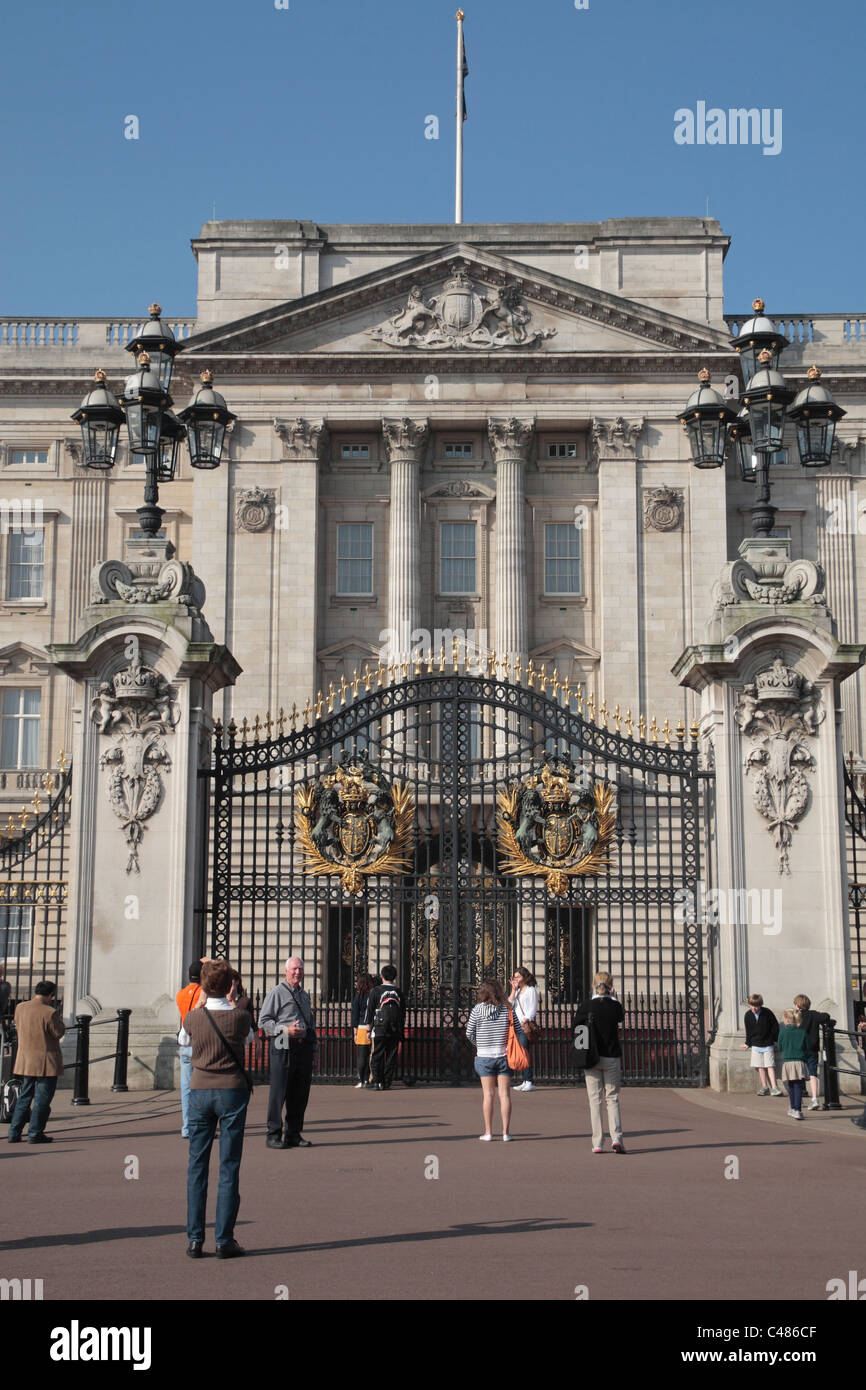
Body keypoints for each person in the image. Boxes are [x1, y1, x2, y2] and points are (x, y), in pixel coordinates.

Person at [180, 958, 254, 1259]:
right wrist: (235, 1003)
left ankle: (195, 1239)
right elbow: (250, 1040)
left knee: (197, 1166)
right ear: (228, 987)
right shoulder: (239, 1017)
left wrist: (199, 1007)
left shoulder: (194, 1018)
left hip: (199, 1089)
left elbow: (183, 1041)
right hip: (232, 1091)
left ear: (202, 987)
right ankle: (224, 1239)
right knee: (229, 1166)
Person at [259, 956, 317, 1148]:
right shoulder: (277, 992)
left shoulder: (304, 995)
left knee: (300, 1091)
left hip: (302, 1046)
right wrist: (285, 1029)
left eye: (300, 969)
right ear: (286, 971)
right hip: (283, 1041)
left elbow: (309, 1020)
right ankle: (273, 1134)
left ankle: (293, 1132)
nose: (297, 972)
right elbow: (264, 1022)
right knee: (279, 1090)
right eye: (294, 969)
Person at [7, 981, 65, 1145]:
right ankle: (35, 1133)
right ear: (50, 995)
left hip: (26, 1060)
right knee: (42, 1100)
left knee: (24, 1098)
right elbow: (58, 1032)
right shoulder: (50, 1012)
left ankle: (14, 1132)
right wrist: (59, 1020)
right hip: (45, 1062)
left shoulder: (20, 1008)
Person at [574, 971, 626, 1154]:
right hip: (611, 1056)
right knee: (612, 1099)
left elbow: (576, 1026)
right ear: (610, 987)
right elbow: (620, 1017)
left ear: (593, 985)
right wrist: (614, 998)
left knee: (594, 1101)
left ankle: (597, 1142)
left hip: (592, 1056)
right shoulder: (615, 1006)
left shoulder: (586, 1005)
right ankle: (617, 1137)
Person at [466, 979, 513, 1141]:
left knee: (488, 1095)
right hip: (503, 1055)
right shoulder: (507, 1009)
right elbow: (517, 1030)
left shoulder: (477, 1010)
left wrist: (479, 1043)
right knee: (504, 1095)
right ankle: (506, 1132)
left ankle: (488, 1132)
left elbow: (469, 1032)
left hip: (484, 1056)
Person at [365, 965, 406, 1090]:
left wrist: (368, 1029)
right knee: (391, 1057)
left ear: (382, 976)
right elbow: (403, 1012)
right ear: (394, 977)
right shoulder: (399, 992)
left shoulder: (376, 991)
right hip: (394, 1029)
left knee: (377, 1056)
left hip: (379, 1028)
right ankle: (387, 1081)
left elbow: (370, 1011)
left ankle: (378, 1082)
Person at [176, 960, 203, 1138]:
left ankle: (187, 1126)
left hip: (185, 1042)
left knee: (186, 1088)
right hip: (199, 1043)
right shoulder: (204, 994)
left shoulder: (180, 994)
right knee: (200, 1088)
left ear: (188, 975)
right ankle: (199, 1125)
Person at [793, 993, 832, 1111]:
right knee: (812, 1073)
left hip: (800, 1048)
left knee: (799, 1074)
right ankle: (814, 1098)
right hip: (813, 1048)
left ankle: (798, 1099)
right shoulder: (814, 1014)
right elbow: (826, 1016)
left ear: (797, 1005)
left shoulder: (796, 1016)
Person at [741, 993, 782, 1095]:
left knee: (770, 1065)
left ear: (760, 1005)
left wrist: (774, 1039)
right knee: (760, 1067)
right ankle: (764, 1087)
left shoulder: (767, 1013)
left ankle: (774, 1087)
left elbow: (775, 1026)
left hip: (767, 1043)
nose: (754, 1008)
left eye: (756, 1006)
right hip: (756, 1044)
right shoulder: (748, 1015)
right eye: (752, 1005)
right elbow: (748, 1031)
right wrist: (748, 1043)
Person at [509, 966, 538, 1091]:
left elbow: (532, 1007)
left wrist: (526, 1019)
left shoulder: (530, 990)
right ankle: (525, 1080)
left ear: (524, 977)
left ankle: (529, 1080)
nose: (515, 979)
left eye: (517, 976)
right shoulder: (517, 990)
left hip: (523, 1025)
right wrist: (513, 989)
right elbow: (509, 1004)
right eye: (514, 977)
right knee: (521, 1052)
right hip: (515, 1025)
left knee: (524, 1052)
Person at [778, 1008, 809, 1120]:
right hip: (800, 1061)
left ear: (786, 1020)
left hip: (788, 1061)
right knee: (798, 1086)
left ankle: (793, 1108)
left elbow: (780, 1046)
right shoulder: (802, 1032)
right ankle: (797, 1109)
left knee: (790, 1085)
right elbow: (807, 1047)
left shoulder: (783, 1032)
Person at [351, 972, 378, 1087]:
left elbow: (355, 1016)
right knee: (372, 1055)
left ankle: (362, 1079)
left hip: (362, 1027)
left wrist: (355, 1032)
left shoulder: (359, 997)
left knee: (362, 1056)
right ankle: (370, 1078)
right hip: (373, 1027)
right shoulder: (374, 995)